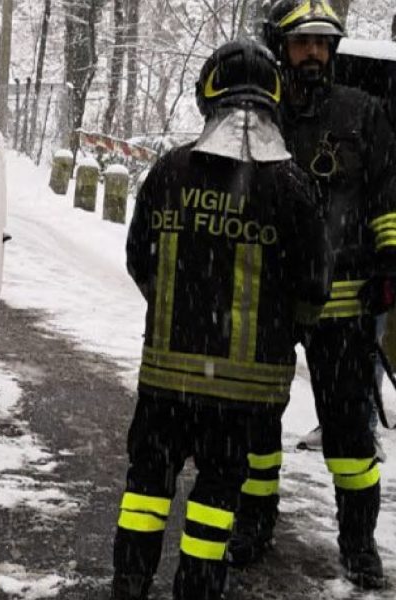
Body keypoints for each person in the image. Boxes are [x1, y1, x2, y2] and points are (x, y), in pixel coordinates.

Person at [112, 39, 331, 600]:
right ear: (275, 99)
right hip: (245, 395)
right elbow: (315, 288)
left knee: (146, 487)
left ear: (207, 94)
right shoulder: (293, 187)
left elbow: (139, 261)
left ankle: (130, 582)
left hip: (165, 381)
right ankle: (198, 587)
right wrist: (277, 331)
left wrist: (178, 315)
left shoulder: (169, 170)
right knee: (216, 497)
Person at [228, 0, 396, 589]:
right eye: (304, 43)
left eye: (324, 43)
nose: (315, 54)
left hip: (344, 306)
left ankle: (358, 544)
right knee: (256, 424)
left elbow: (387, 193)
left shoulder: (363, 112)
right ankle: (254, 525)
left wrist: (390, 262)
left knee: (349, 436)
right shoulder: (256, 114)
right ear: (282, 48)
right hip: (267, 302)